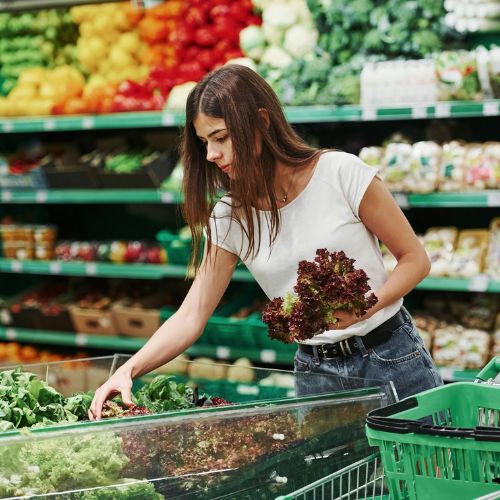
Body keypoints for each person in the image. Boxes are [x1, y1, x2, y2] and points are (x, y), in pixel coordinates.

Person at [88, 64, 442, 419]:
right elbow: (192, 314)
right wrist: (128, 370)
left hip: (391, 357)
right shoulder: (230, 217)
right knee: (346, 476)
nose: (211, 154)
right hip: (315, 375)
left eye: (221, 137)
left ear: (261, 122)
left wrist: (364, 307)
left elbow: (415, 259)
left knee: (424, 470)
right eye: (204, 142)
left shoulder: (340, 173)